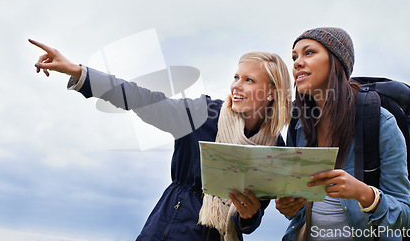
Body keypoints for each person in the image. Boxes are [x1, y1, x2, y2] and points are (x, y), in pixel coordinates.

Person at [29, 39, 292, 241]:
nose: (236, 85)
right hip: (171, 227)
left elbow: (254, 216)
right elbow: (140, 98)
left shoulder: (275, 148)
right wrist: (77, 71)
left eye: (248, 80)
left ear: (272, 93)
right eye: (236, 77)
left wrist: (249, 215)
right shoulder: (202, 113)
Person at [275, 27, 410, 241]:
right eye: (294, 56)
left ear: (337, 61)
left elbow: (406, 217)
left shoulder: (380, 123)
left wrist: (364, 194)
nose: (297, 62)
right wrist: (291, 208)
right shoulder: (298, 124)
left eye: (309, 52)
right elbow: (303, 212)